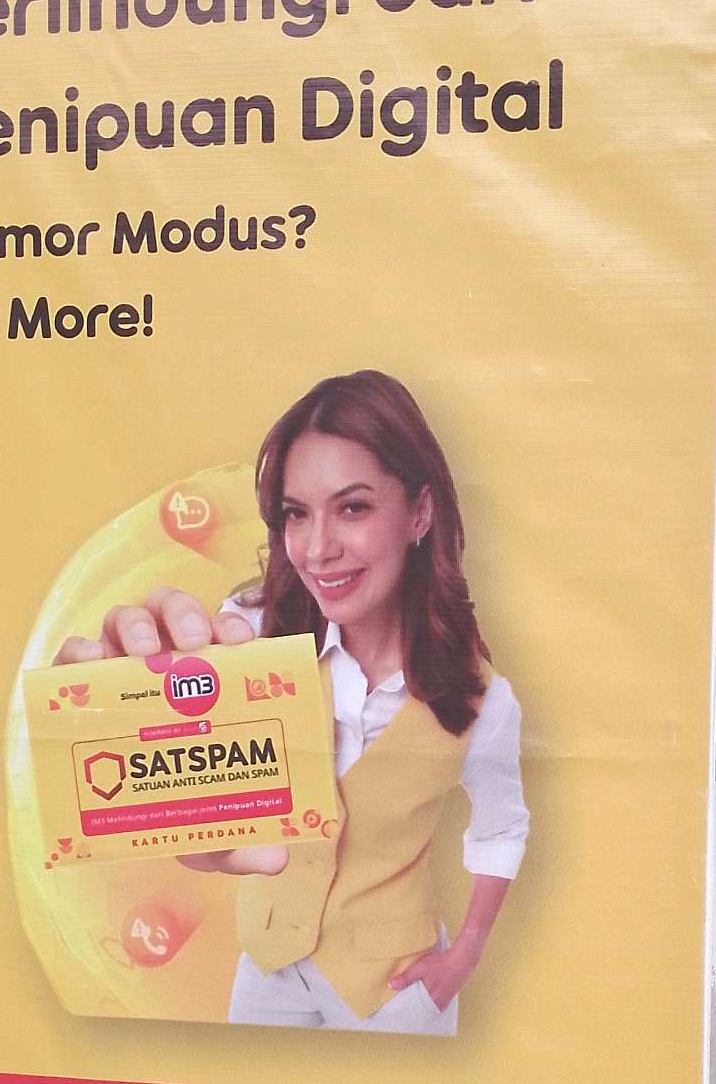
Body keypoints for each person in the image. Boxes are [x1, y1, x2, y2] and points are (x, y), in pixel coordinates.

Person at [54, 371, 526, 1034]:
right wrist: (108, 709)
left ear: (420, 513)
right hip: (268, 967)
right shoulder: (251, 636)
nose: (318, 549)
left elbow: (501, 829)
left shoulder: (482, 697)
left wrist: (466, 955)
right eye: (296, 514)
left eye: (353, 508)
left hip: (392, 990)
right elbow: (175, 772)